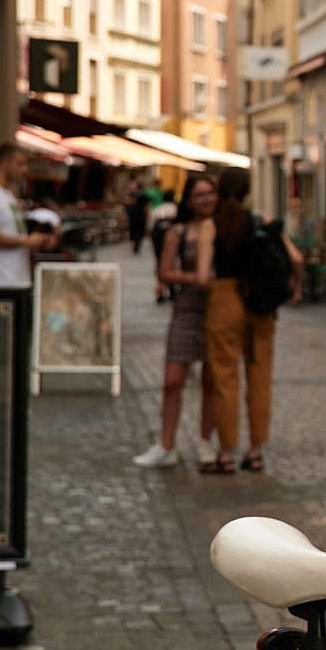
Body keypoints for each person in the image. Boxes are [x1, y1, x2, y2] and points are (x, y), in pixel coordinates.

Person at [204, 167, 299, 474]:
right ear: (247, 190)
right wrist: (294, 285)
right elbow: (296, 259)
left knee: (225, 377)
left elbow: (204, 274)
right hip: (260, 303)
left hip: (224, 300)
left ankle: (226, 452)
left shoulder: (212, 224)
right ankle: (255, 450)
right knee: (260, 378)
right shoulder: (260, 222)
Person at [133, 174, 221, 470]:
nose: (206, 199)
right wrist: (194, 279)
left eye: (210, 193)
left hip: (217, 309)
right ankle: (166, 444)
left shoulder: (223, 230)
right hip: (186, 308)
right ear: (189, 200)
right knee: (172, 380)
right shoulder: (177, 232)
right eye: (199, 194)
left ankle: (206, 441)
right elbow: (164, 272)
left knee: (211, 381)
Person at [0, 144, 52, 287]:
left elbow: (11, 231)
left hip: (16, 281)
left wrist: (39, 240)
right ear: (4, 163)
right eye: (20, 164)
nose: (24, 169)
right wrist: (26, 242)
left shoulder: (7, 194)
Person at [125, 178, 149, 254]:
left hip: (136, 214)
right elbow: (147, 206)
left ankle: (136, 246)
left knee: (135, 230)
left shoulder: (134, 194)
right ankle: (136, 246)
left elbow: (128, 203)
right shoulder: (143, 193)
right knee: (138, 230)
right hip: (138, 215)